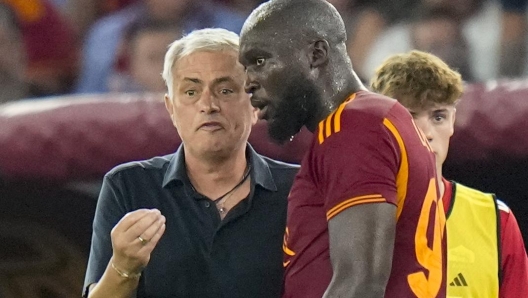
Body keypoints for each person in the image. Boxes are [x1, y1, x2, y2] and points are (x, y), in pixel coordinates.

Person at [239, 0, 446, 297]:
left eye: (259, 61)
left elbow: (360, 285)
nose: (248, 82)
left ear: (316, 54)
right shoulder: (368, 120)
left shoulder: (354, 126)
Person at [83, 28, 299, 298]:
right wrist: (123, 267)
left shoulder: (300, 189)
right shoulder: (128, 186)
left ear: (255, 105)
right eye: (190, 91)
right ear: (171, 109)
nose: (208, 104)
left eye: (225, 90)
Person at [370, 50, 528, 298]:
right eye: (408, 117)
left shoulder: (496, 220)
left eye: (438, 117)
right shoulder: (348, 218)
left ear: (453, 121)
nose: (427, 133)